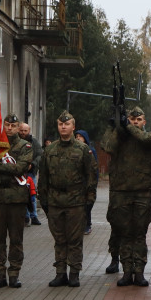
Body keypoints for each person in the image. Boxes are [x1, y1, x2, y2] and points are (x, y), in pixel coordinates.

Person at [38, 110, 98, 287]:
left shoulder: (83, 150)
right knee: (59, 239)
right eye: (60, 124)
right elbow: (44, 178)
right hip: (55, 201)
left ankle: (74, 273)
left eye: (67, 124)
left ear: (73, 126)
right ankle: (60, 273)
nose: (63, 127)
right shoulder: (49, 150)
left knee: (74, 240)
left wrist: (90, 199)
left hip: (76, 201)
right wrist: (44, 200)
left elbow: (91, 176)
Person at [102, 106, 151, 287]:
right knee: (125, 234)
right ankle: (127, 270)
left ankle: (139, 272)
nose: (135, 122)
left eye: (138, 119)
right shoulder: (120, 136)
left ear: (144, 122)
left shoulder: (150, 137)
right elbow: (107, 147)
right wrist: (114, 128)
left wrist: (127, 126)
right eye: (132, 119)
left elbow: (143, 138)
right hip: (121, 192)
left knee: (139, 234)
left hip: (142, 192)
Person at [0, 114, 34, 288]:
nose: (9, 128)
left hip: (16, 199)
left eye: (13, 125)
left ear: (19, 127)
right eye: (7, 125)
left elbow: (19, 168)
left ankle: (14, 274)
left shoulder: (24, 146)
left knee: (16, 239)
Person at [19, 122, 43, 226]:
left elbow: (40, 155)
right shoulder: (16, 142)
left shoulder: (34, 142)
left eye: (25, 131)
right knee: (22, 196)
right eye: (21, 130)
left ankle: (34, 216)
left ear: (29, 131)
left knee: (32, 196)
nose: (23, 133)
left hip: (30, 173)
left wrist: (32, 165)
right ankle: (26, 216)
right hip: (19, 173)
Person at [75, 129, 98, 234]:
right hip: (76, 183)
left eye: (80, 136)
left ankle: (87, 225)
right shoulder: (74, 150)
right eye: (77, 136)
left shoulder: (90, 150)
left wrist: (94, 182)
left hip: (87, 183)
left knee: (87, 205)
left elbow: (94, 168)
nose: (78, 138)